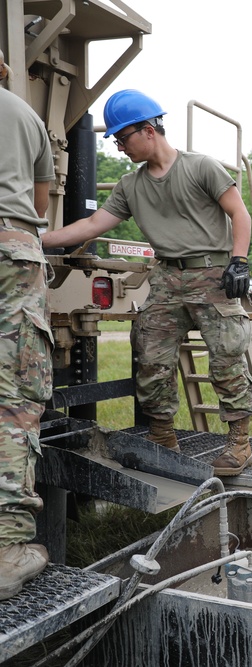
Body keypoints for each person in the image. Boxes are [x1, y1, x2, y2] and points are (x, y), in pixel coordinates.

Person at [40, 89, 252, 477]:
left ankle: (239, 442)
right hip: (167, 276)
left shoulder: (201, 167)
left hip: (213, 274)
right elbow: (92, 225)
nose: (120, 146)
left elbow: (239, 214)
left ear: (148, 130)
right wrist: (36, 238)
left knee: (226, 359)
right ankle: (162, 436)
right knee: (149, 353)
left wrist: (239, 261)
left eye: (123, 138)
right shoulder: (130, 185)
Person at [0, 49, 55, 600]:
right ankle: (6, 549)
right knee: (13, 397)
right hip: (12, 250)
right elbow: (40, 205)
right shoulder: (24, 114)